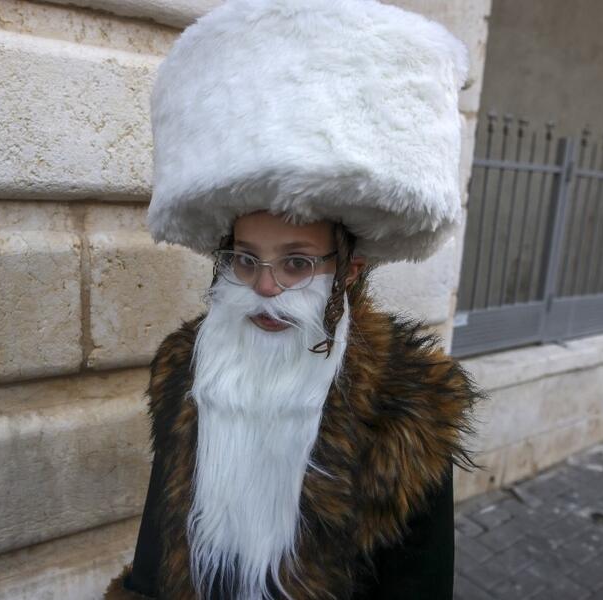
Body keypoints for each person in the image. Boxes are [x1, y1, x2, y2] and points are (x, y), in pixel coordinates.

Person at [103, 0, 485, 598]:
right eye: (246, 259)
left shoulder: (411, 405)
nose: (264, 286)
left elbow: (419, 585)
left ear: (349, 273)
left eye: (298, 263)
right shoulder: (185, 366)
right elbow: (157, 547)